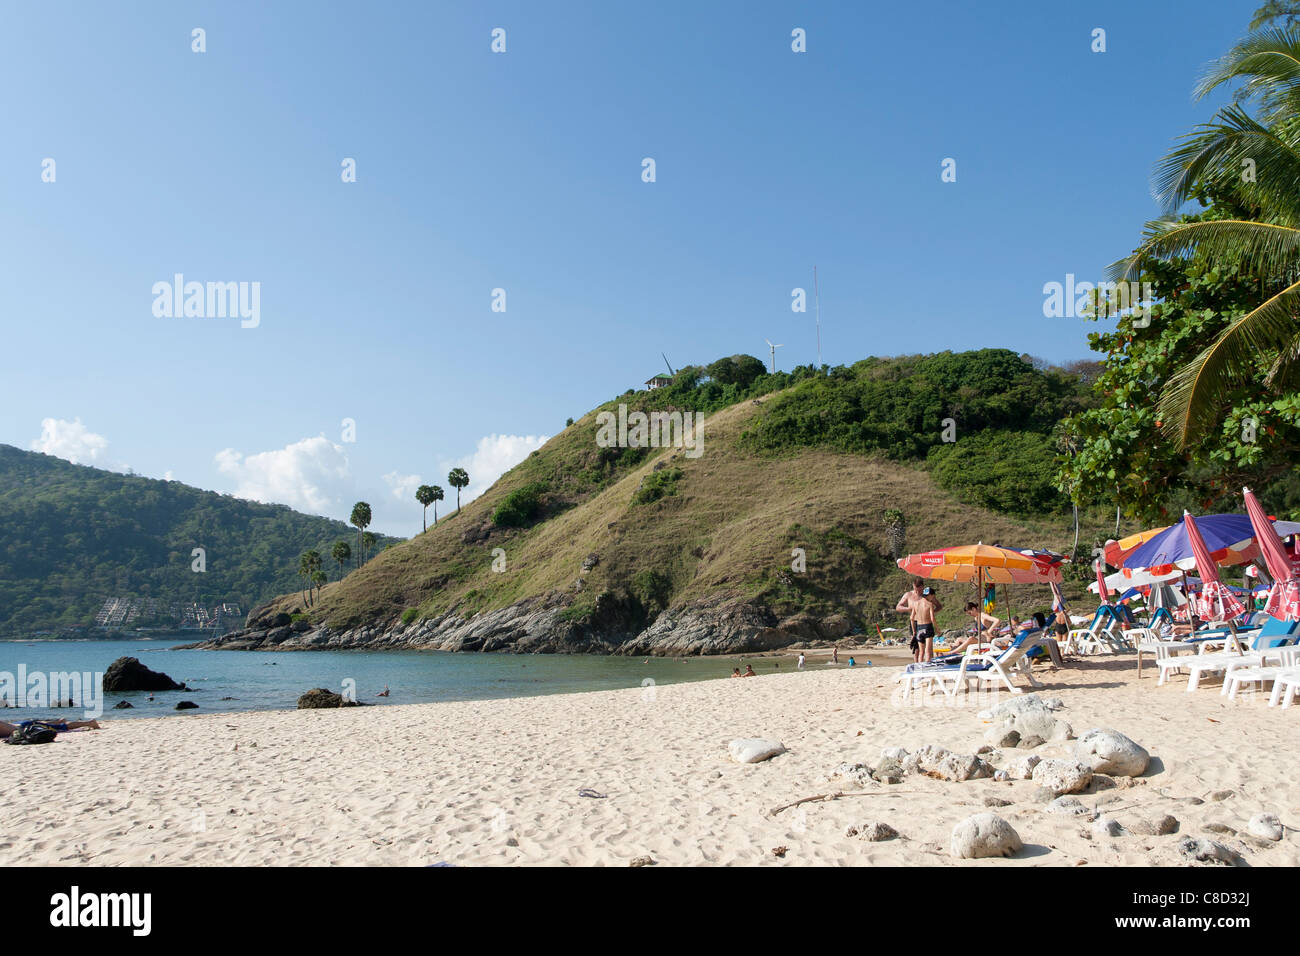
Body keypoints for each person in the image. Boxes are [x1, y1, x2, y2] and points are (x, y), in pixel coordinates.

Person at [911, 587, 941, 663]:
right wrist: (937, 630)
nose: (933, 598)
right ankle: (927, 667)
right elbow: (932, 619)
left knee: (921, 652)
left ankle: (920, 669)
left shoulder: (915, 604)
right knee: (928, 651)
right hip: (927, 627)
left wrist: (914, 631)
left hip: (919, 628)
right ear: (930, 595)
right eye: (933, 596)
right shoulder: (929, 604)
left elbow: (911, 618)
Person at [0, 718, 101, 738]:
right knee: (50, 725)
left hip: (27, 727)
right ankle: (58, 721)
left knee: (62, 727)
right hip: (22, 724)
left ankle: (90, 723)